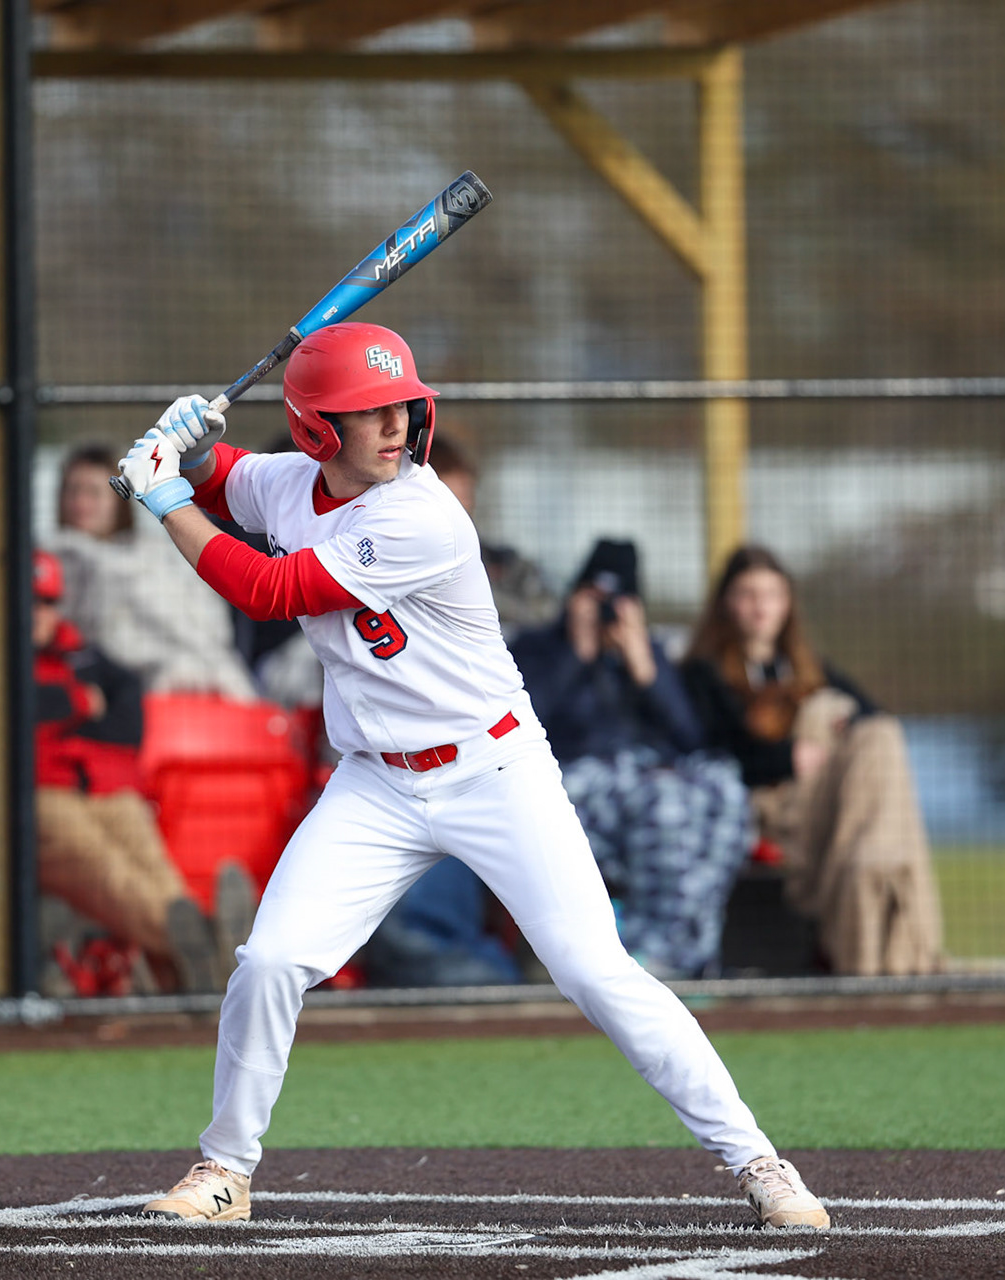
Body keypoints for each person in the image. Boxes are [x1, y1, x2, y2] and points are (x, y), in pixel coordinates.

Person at [114, 322, 828, 1231]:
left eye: (401, 406)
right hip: (375, 782)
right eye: (366, 413)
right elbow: (235, 479)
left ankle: (760, 1165)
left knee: (595, 970)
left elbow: (270, 590)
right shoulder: (293, 480)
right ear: (314, 432)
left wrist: (166, 495)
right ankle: (225, 1169)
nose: (395, 425)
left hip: (494, 768)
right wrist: (190, 445)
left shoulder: (421, 513)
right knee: (271, 960)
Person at [0, 549, 235, 995]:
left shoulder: (84, 653)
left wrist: (45, 709)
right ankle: (217, 946)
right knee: (110, 871)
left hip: (105, 787)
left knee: (152, 864)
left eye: (47, 602)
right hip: (32, 799)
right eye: (26, 600)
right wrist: (76, 701)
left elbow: (127, 720)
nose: (37, 613)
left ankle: (202, 966)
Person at [681, 545, 943, 977]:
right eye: (748, 594)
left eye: (772, 594)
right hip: (764, 802)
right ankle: (878, 907)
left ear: (788, 603)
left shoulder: (807, 668)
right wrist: (788, 757)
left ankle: (869, 865)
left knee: (877, 735)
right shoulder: (704, 673)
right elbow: (715, 753)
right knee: (851, 734)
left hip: (829, 800)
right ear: (726, 602)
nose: (761, 607)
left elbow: (870, 716)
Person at [512, 538, 754, 980]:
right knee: (664, 803)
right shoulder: (538, 649)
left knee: (722, 790)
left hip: (651, 776)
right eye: (595, 598)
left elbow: (692, 738)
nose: (606, 612)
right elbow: (526, 722)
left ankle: (681, 951)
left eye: (616, 601)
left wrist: (644, 667)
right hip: (575, 779)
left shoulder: (650, 655)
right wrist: (577, 654)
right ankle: (649, 958)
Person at [47, 444, 257, 700]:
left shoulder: (157, 552)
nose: (81, 503)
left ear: (118, 500)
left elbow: (204, 621)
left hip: (186, 668)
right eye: (72, 491)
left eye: (93, 493)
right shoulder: (49, 558)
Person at [425, 432, 557, 640]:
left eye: (466, 476)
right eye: (449, 471)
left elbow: (545, 611)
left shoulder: (502, 559)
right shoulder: (413, 556)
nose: (465, 484)